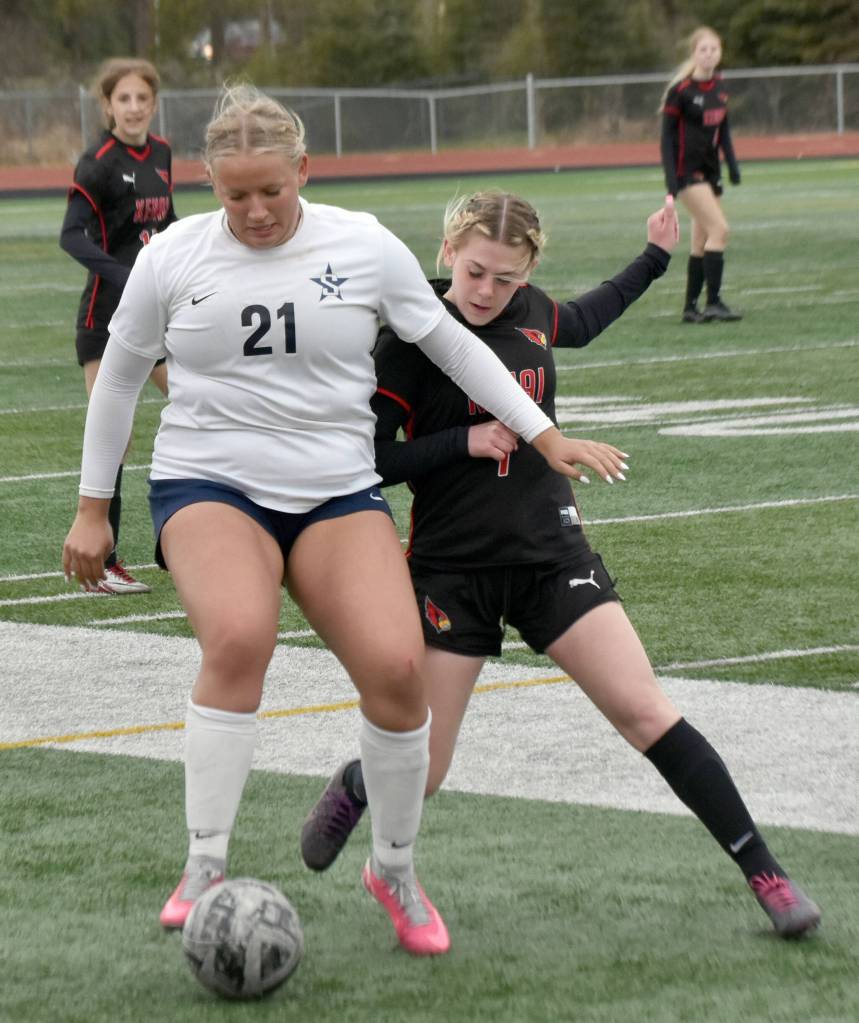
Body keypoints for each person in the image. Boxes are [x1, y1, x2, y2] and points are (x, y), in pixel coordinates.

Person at [62, 86, 630, 957]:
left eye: (271, 191)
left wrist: (540, 432)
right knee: (240, 638)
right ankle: (203, 864)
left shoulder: (361, 243)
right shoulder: (172, 255)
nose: (253, 210)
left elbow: (449, 343)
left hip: (333, 487)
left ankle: (394, 868)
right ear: (209, 181)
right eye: (233, 193)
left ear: (302, 171)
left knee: (400, 667)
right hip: (210, 482)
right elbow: (122, 378)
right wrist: (92, 508)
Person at [300, 189, 821, 941]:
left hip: (552, 555)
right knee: (427, 767)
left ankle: (764, 871)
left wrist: (653, 256)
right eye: (475, 272)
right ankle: (359, 782)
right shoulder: (408, 336)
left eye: (505, 279)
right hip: (452, 571)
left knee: (645, 710)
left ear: (528, 271)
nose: (485, 292)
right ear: (447, 251)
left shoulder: (535, 310)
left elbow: (584, 317)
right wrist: (463, 442)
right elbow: (370, 460)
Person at [60, 57, 177, 594]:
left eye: (142, 98)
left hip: (156, 312)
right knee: (117, 435)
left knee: (199, 399)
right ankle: (105, 562)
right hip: (105, 318)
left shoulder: (162, 153)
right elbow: (73, 236)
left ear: (153, 104)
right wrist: (127, 273)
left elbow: (165, 222)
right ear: (107, 105)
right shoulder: (97, 163)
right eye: (123, 99)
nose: (134, 107)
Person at [660, 26, 742, 324]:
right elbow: (666, 139)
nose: (709, 54)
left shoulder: (720, 88)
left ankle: (690, 308)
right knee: (720, 230)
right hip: (688, 174)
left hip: (711, 173)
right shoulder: (680, 91)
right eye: (703, 49)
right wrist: (671, 178)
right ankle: (714, 302)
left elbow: (725, 132)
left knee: (702, 240)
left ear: (720, 53)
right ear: (694, 53)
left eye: (714, 49)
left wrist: (732, 165)